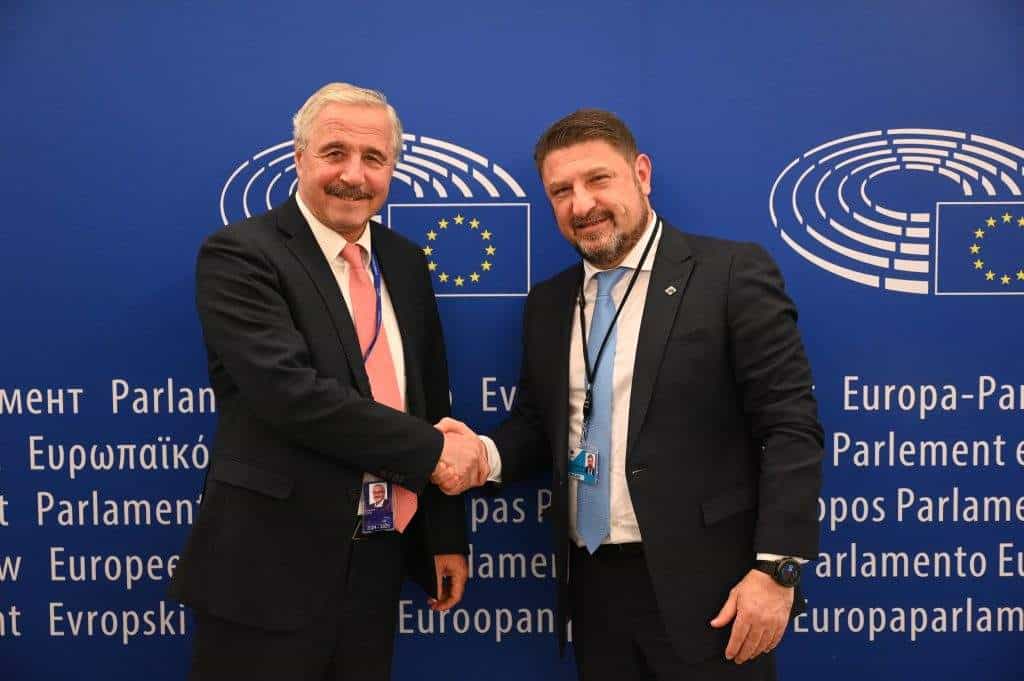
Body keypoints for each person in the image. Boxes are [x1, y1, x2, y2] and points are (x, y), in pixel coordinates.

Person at [436, 109, 823, 680]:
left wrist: (777, 571)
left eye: (598, 179)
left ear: (641, 174)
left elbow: (790, 427)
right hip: (595, 592)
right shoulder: (548, 303)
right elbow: (540, 427)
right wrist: (482, 457)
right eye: (561, 191)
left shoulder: (730, 274)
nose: (581, 205)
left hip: (714, 594)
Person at [168, 82, 487, 681]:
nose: (353, 175)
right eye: (334, 153)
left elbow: (431, 397)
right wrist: (436, 453)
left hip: (378, 560)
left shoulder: (406, 262)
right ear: (299, 158)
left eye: (374, 158)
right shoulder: (241, 255)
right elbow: (290, 395)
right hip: (267, 568)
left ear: (392, 168)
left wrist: (444, 535)